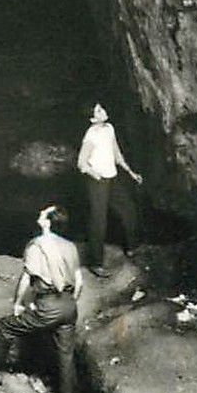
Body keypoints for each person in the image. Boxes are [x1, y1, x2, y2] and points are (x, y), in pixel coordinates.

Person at [0, 204, 83, 393]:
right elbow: (79, 282)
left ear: (47, 222)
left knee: (5, 326)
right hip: (68, 305)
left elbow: (26, 280)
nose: (39, 214)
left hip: (47, 304)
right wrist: (67, 304)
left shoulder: (37, 246)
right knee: (65, 358)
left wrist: (18, 304)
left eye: (43, 213)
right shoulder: (70, 247)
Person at [77, 102, 143, 275]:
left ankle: (132, 247)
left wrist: (130, 172)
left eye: (102, 108)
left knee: (128, 209)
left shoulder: (109, 128)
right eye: (99, 111)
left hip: (112, 177)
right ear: (93, 119)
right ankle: (95, 263)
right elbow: (81, 163)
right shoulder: (91, 135)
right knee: (99, 220)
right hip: (98, 181)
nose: (104, 111)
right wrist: (96, 175)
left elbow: (116, 153)